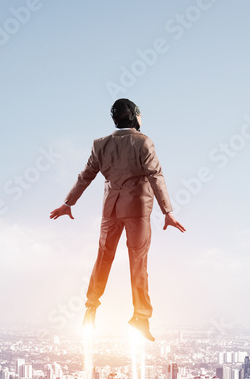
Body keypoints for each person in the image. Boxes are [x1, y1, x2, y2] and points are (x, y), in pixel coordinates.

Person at [50, 99, 185, 341]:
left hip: (110, 210)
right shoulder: (143, 142)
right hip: (137, 211)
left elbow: (85, 176)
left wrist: (68, 203)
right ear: (134, 116)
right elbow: (156, 176)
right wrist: (168, 211)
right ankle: (141, 317)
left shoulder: (100, 144)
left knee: (103, 258)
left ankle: (91, 307)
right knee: (138, 263)